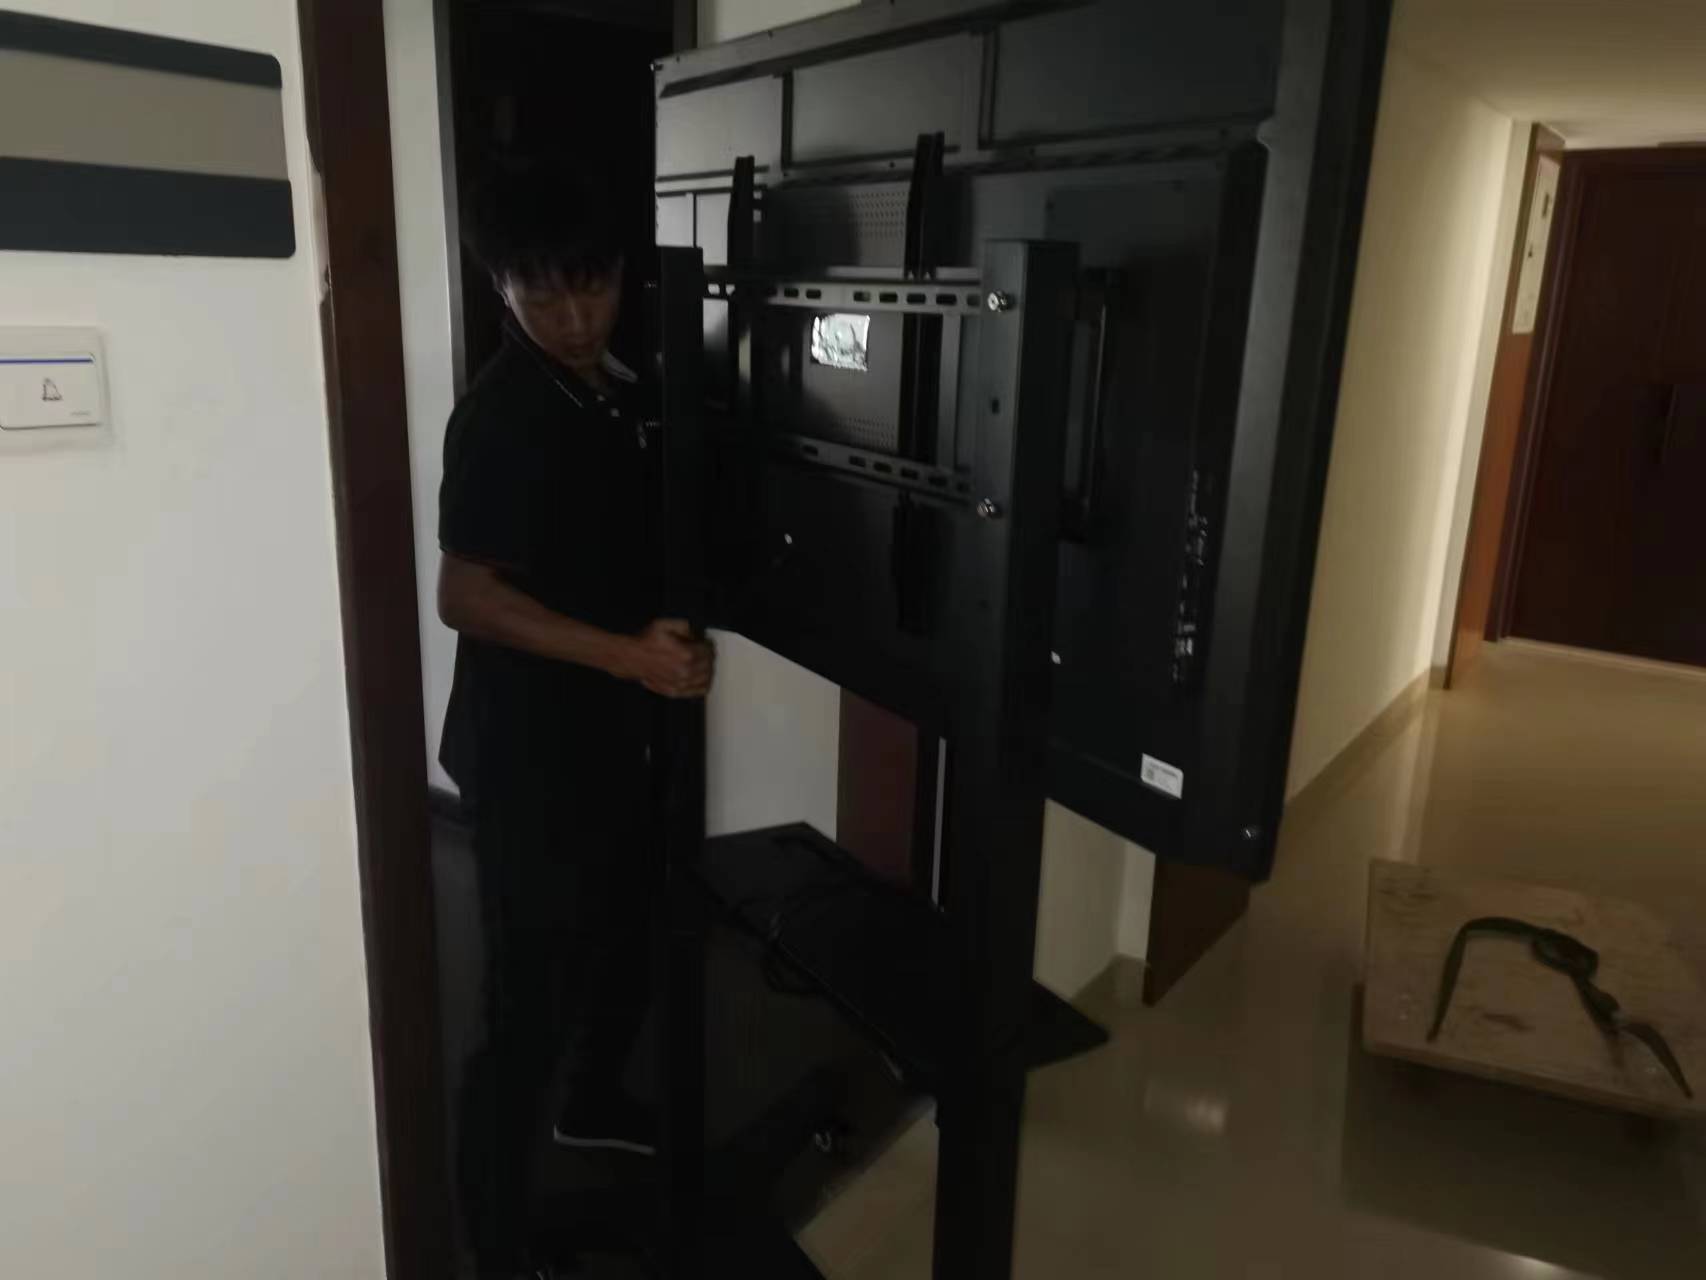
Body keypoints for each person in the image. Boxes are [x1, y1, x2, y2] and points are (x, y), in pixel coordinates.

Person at [436, 165, 714, 1276]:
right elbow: (464, 596)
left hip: (612, 738)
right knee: (526, 1008)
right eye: (540, 295)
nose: (570, 317)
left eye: (589, 287)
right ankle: (495, 1244)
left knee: (632, 933)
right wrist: (629, 655)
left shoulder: (617, 385)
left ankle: (591, 1102)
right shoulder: (502, 415)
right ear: (501, 288)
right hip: (528, 756)